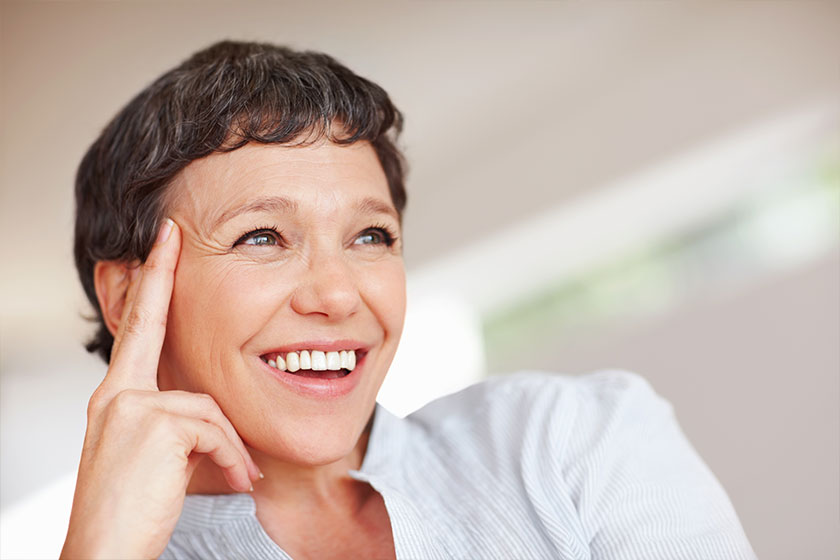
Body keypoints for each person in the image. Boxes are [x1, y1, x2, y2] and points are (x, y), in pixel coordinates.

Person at [62, 41, 756, 560]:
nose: (338, 294)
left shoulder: (569, 442)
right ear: (127, 295)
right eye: (263, 236)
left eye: (370, 235)